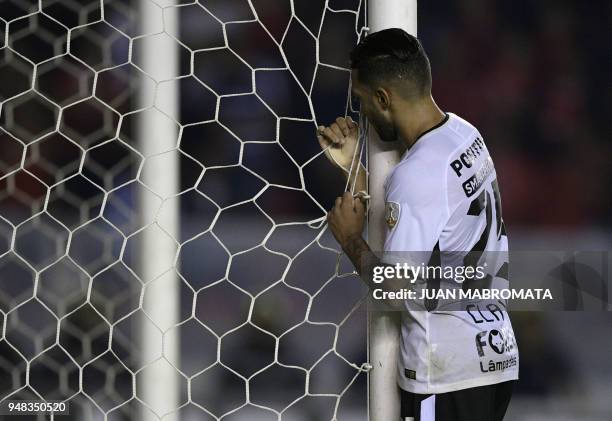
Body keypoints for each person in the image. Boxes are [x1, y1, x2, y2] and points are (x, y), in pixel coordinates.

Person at [317, 28, 518, 421]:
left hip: (445, 369)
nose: (361, 113)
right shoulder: (464, 134)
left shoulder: (418, 174)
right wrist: (357, 168)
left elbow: (395, 289)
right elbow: (431, 219)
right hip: (494, 354)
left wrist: (350, 239)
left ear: (382, 98)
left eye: (361, 100)